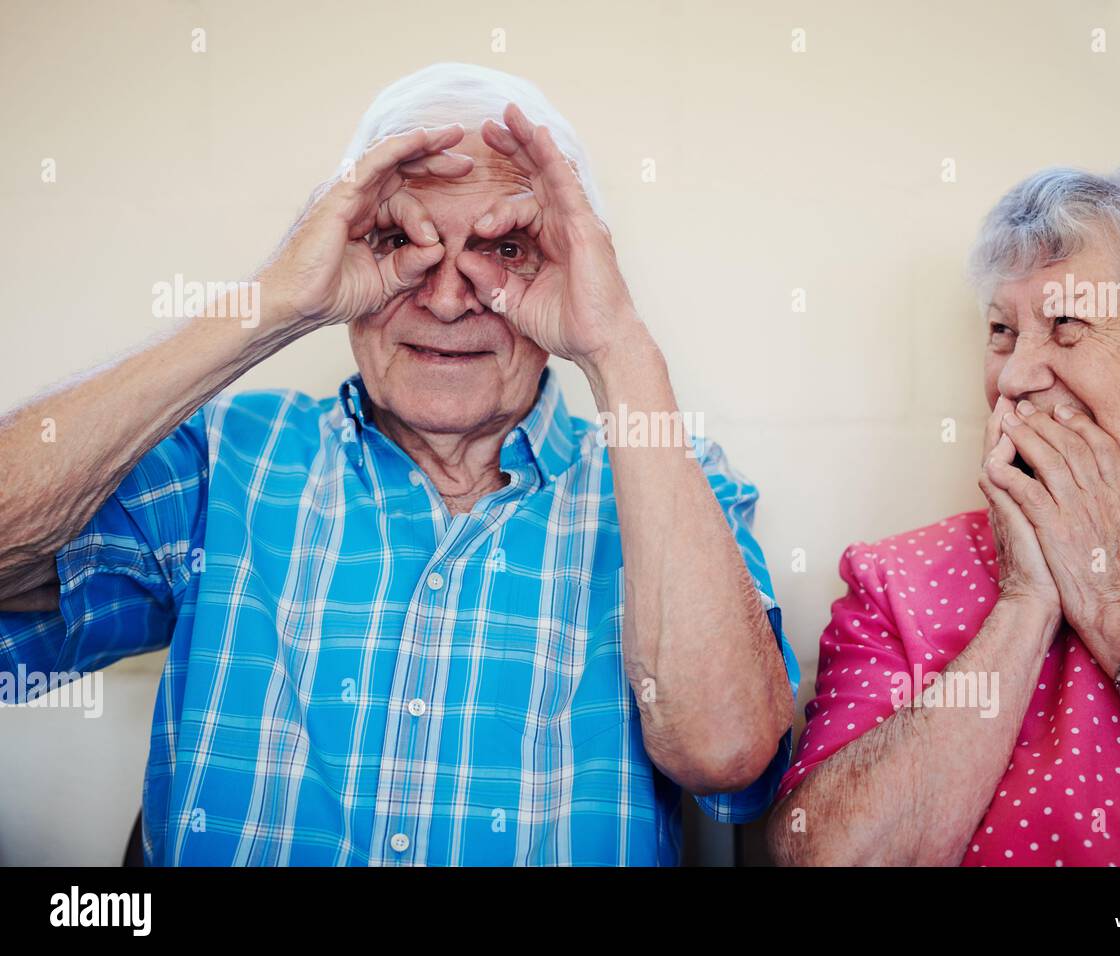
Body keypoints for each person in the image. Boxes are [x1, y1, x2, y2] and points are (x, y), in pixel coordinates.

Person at [0, 63, 797, 866]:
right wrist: (273, 304)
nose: (448, 299)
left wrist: (617, 342)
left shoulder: (661, 477)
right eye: (398, 241)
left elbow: (727, 753)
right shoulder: (227, 458)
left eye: (506, 247)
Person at [768, 159, 1120, 866]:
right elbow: (821, 858)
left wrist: (1117, 608)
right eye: (1001, 331)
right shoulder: (897, 581)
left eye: (1068, 325)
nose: (1014, 378)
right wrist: (1027, 600)